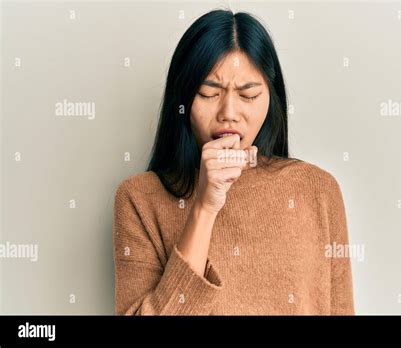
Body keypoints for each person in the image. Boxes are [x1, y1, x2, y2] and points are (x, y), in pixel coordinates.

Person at [113, 9, 355, 315]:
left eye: (249, 94)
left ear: (271, 98)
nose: (229, 112)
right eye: (208, 92)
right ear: (184, 100)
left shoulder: (317, 189)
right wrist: (204, 206)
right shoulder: (138, 198)